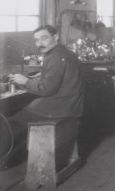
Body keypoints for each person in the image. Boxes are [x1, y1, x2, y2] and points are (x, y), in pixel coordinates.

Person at [1, 25, 84, 167]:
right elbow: (58, 78)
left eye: (44, 38)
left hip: (60, 107)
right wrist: (42, 75)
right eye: (36, 40)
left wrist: (25, 81)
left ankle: (5, 160)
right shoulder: (64, 53)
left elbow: (46, 89)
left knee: (8, 122)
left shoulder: (56, 56)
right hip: (70, 104)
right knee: (19, 114)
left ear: (55, 37)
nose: (39, 43)